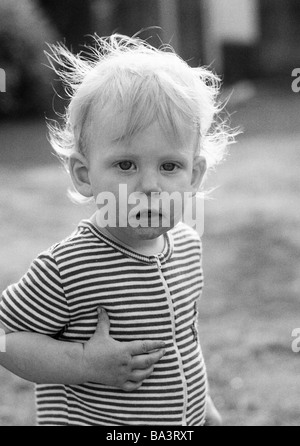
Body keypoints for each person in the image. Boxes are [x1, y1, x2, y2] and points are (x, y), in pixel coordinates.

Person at [0, 34, 233, 426]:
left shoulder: (188, 247)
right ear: (84, 175)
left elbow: (182, 342)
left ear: (194, 175)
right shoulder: (69, 266)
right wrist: (83, 363)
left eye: (169, 166)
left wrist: (203, 409)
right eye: (126, 165)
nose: (149, 186)